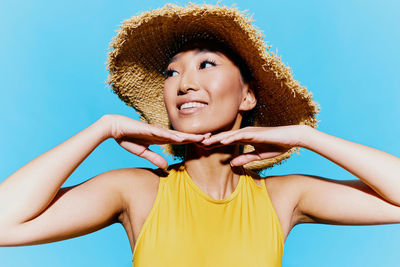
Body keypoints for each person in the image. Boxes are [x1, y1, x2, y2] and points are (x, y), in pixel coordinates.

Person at [1, 3, 400, 267]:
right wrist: (100, 130)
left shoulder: (283, 198)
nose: (184, 83)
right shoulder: (136, 191)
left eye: (206, 64)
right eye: (172, 72)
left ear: (247, 96)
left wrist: (304, 136)